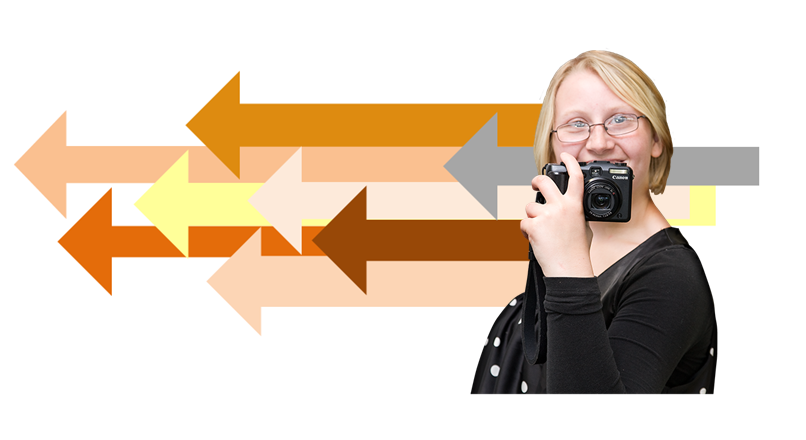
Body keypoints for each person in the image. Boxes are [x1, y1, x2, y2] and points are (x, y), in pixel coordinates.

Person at [471, 50, 717, 394]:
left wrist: (567, 265)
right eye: (576, 124)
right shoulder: (564, 238)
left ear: (656, 139)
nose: (599, 143)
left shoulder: (671, 277)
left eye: (620, 119)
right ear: (553, 147)